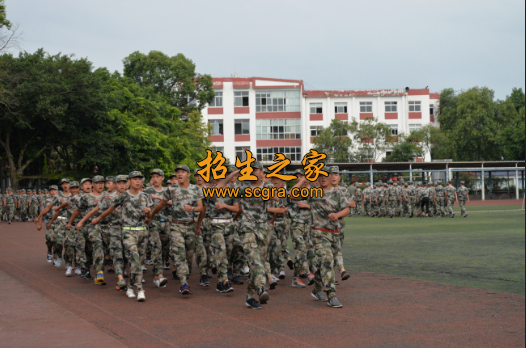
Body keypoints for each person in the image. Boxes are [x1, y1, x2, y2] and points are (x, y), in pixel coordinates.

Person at [292, 172, 350, 308]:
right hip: (318, 234)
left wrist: (337, 215)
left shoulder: (337, 193)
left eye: (326, 175)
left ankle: (317, 289)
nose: (323, 178)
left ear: (331, 178)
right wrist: (305, 179)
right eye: (320, 176)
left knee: (325, 264)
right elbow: (292, 194)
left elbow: (347, 209)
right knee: (327, 261)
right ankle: (331, 295)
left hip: (335, 234)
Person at [94, 171, 153, 302]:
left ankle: (130, 287)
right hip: (127, 231)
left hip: (142, 231)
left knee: (138, 262)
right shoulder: (123, 196)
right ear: (129, 182)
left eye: (139, 179)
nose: (137, 181)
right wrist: (98, 218)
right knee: (135, 259)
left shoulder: (145, 196)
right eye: (134, 179)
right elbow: (109, 210)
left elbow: (149, 217)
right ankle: (140, 289)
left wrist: (148, 212)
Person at [149, 164, 205, 296]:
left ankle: (186, 275)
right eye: (178, 172)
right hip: (175, 226)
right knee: (179, 255)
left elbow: (201, 208)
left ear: (188, 175)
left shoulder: (196, 190)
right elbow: (162, 204)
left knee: (188, 256)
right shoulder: (172, 189)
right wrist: (151, 215)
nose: (179, 174)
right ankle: (184, 283)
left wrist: (193, 213)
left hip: (190, 226)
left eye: (182, 172)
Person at [232, 161, 278, 309]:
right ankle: (260, 288)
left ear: (261, 173)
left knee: (259, 263)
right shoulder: (242, 186)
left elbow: (277, 198)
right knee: (254, 260)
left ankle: (249, 297)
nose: (252, 172)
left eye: (255, 170)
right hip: (247, 228)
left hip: (263, 230)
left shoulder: (268, 187)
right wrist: (232, 175)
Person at [143, 169, 170, 288]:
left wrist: (159, 198)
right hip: (153, 222)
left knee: (165, 248)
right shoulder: (147, 191)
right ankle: (159, 275)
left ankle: (157, 270)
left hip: (166, 223)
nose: (155, 179)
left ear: (163, 178)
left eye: (157, 176)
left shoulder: (167, 190)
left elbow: (173, 202)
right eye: (153, 176)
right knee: (156, 246)